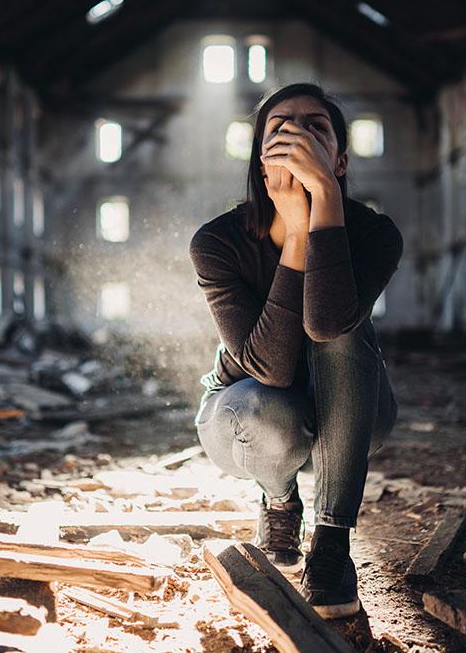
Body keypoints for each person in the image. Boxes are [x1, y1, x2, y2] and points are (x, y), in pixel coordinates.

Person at [188, 82, 403, 618]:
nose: (299, 135)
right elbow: (271, 370)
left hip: (352, 410)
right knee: (264, 408)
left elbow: (329, 325)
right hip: (246, 410)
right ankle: (280, 500)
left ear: (342, 159)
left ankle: (331, 544)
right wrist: (297, 229)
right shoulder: (218, 242)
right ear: (262, 159)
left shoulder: (375, 234)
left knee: (348, 324)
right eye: (281, 126)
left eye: (317, 127)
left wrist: (323, 201)